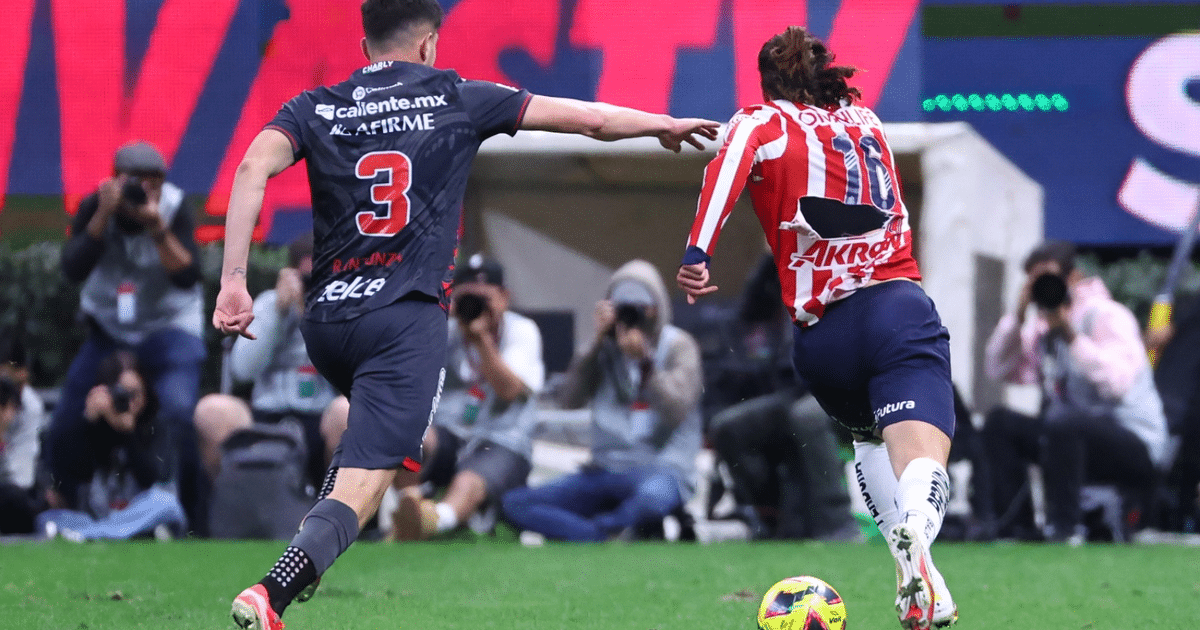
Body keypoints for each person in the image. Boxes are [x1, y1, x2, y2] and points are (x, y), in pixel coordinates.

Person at [211, 1, 718, 627]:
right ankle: (276, 588)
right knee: (368, 475)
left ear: (365, 46)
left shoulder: (315, 106)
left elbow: (251, 166)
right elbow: (588, 119)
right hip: (402, 320)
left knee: (366, 442)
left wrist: (234, 282)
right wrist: (661, 124)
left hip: (328, 321)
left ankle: (334, 536)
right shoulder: (456, 95)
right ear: (429, 44)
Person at [675, 27, 958, 629]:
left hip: (821, 339)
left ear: (766, 84)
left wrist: (698, 253)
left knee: (868, 439)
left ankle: (922, 583)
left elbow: (725, 168)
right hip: (894, 308)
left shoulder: (760, 122)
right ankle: (915, 529)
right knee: (923, 456)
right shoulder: (868, 123)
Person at [49, 140, 206, 530]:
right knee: (70, 412)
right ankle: (60, 508)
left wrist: (156, 226)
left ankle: (188, 515)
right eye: (136, 181)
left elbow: (188, 276)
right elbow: (72, 269)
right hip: (109, 328)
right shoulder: (96, 205)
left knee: (177, 410)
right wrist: (103, 213)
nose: (145, 190)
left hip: (168, 326)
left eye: (154, 182)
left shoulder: (174, 207)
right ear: (116, 179)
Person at [982, 241, 1171, 543]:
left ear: (1074, 277)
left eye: (1049, 278)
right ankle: (1015, 529)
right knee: (1000, 422)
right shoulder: (1044, 329)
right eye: (1035, 281)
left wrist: (1071, 336)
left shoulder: (1107, 315)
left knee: (1064, 421)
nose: (1045, 286)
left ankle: (1064, 530)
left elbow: (1118, 385)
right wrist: (1017, 317)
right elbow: (997, 369)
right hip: (1069, 436)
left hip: (1136, 443)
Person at [501, 260, 703, 541]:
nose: (631, 316)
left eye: (640, 307)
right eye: (623, 308)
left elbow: (677, 409)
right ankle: (601, 532)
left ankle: (598, 529)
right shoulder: (603, 348)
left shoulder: (678, 345)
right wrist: (596, 343)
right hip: (604, 470)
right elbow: (569, 400)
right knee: (515, 503)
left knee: (652, 498)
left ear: (657, 308)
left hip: (661, 468)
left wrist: (646, 364)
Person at [704, 254, 858, 541]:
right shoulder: (786, 270)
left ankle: (838, 523)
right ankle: (769, 515)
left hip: (845, 394)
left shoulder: (844, 269)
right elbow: (749, 311)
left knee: (807, 417)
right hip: (794, 391)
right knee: (727, 427)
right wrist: (772, 259)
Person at [391, 254, 544, 540]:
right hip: (451, 433)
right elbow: (404, 375)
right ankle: (409, 506)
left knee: (468, 480)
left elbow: (509, 390)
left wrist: (481, 339)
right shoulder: (445, 330)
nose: (474, 307)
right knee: (406, 434)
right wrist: (435, 318)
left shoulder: (521, 330)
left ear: (504, 297)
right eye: (466, 298)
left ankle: (433, 523)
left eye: (483, 299)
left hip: (502, 440)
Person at [194, 234, 347, 492]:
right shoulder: (268, 304)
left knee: (347, 411)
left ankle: (340, 507)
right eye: (305, 278)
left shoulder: (339, 306)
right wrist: (278, 311)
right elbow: (243, 369)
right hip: (266, 414)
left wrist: (311, 318)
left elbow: (345, 374)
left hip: (320, 416)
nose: (311, 284)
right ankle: (227, 507)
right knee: (212, 410)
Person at [37, 350, 187, 541]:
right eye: (121, 394)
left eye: (135, 393)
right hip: (96, 516)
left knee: (166, 503)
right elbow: (70, 482)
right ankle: (119, 533)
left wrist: (129, 432)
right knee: (48, 518)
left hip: (142, 513)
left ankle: (94, 534)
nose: (129, 402)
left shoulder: (156, 426)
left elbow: (151, 479)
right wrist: (88, 423)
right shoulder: (89, 425)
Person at [0, 331, 49, 534]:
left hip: (10, 491)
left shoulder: (30, 406)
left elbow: (21, 478)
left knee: (16, 500)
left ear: (22, 374)